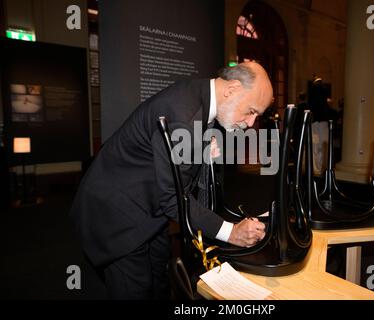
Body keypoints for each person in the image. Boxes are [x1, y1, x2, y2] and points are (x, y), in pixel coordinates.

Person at [69, 62, 273, 300]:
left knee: (159, 280)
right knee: (136, 290)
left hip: (147, 207)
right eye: (251, 111)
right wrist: (231, 232)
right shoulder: (184, 114)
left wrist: (201, 148)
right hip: (115, 215)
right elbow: (175, 199)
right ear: (232, 89)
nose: (250, 123)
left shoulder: (199, 95)